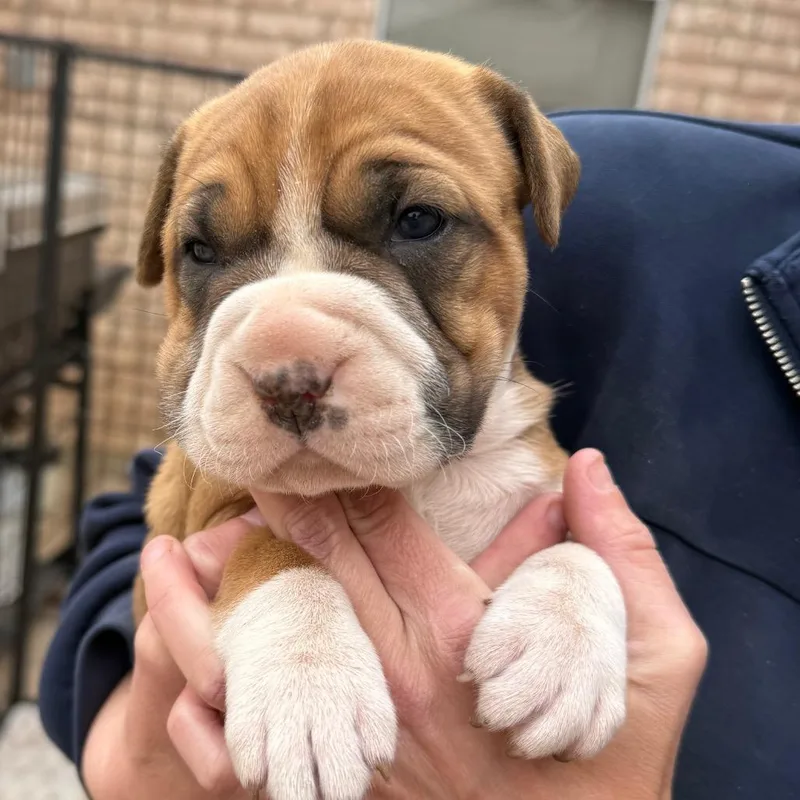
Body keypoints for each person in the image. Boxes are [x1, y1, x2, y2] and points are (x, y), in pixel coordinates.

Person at [39, 108, 800, 799]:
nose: (287, 366)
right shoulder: (645, 184)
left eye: (416, 222)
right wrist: (128, 750)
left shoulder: (518, 409)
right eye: (204, 251)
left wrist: (574, 586)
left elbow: (546, 528)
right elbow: (157, 528)